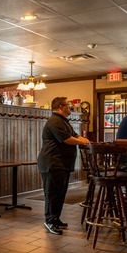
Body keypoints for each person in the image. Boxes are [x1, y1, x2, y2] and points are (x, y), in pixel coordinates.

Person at [37, 97, 91, 235]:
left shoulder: (63, 121)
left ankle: (56, 219)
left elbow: (75, 135)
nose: (70, 108)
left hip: (62, 163)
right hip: (52, 163)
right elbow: (67, 139)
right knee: (52, 194)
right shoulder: (54, 121)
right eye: (68, 105)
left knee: (60, 193)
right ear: (61, 107)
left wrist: (84, 140)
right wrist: (83, 142)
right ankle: (49, 221)